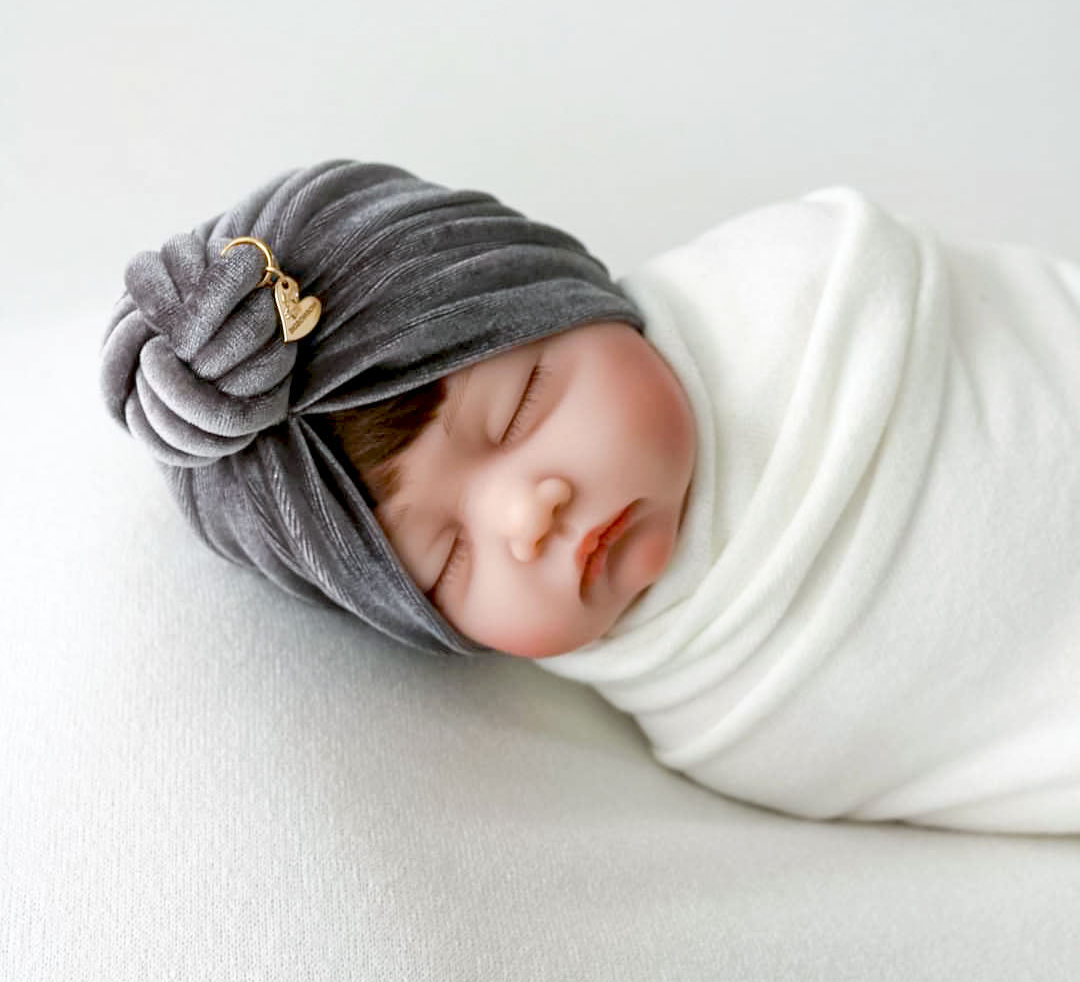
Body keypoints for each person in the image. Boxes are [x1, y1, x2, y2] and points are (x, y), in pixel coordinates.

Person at [102, 159, 1080, 834]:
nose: (527, 516)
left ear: (579, 295)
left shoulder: (820, 301)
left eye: (522, 405)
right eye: (449, 559)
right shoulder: (712, 713)